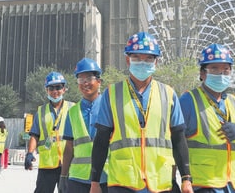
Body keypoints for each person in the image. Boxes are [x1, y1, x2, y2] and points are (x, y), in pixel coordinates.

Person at [89, 31, 193, 193]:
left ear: (156, 62)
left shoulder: (169, 94)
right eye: (137, 58)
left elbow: (179, 139)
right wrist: (95, 182)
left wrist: (186, 178)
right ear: (127, 60)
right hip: (123, 182)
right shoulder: (112, 94)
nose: (143, 63)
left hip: (161, 183)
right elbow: (101, 141)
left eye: (149, 58)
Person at [179, 43, 235, 193]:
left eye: (225, 70)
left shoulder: (234, 103)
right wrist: (184, 180)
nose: (221, 74)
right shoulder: (188, 100)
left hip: (231, 184)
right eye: (214, 69)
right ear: (202, 73)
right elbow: (175, 141)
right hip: (203, 184)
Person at [59, 58, 108, 193]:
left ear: (99, 81)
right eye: (81, 80)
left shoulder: (110, 106)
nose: (85, 83)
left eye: (89, 78)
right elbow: (69, 148)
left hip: (106, 176)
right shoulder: (73, 112)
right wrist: (63, 175)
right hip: (78, 178)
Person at [25, 71, 75, 193]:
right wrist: (30, 153)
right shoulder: (41, 111)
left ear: (64, 89)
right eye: (51, 88)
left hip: (68, 163)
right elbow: (34, 135)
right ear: (46, 90)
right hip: (47, 164)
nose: (55, 91)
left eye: (58, 87)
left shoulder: (73, 108)